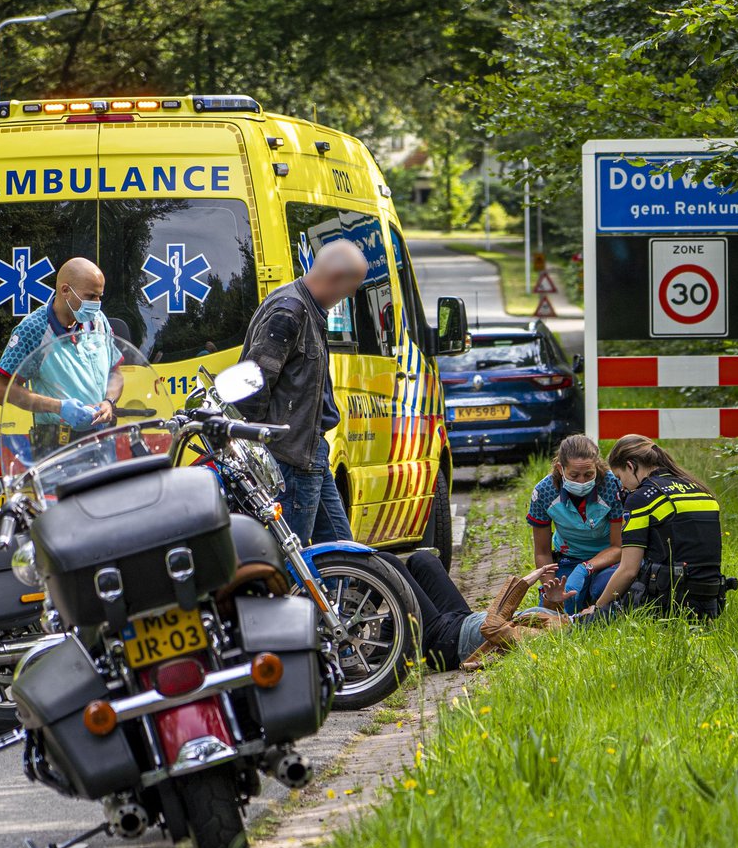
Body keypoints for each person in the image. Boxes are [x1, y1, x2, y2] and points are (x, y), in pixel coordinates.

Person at [238, 239, 368, 545]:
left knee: (342, 549)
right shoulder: (290, 312)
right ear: (335, 278)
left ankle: (340, 580)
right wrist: (258, 452)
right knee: (292, 555)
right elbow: (253, 386)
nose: (348, 297)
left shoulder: (304, 306)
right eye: (349, 290)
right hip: (290, 459)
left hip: (308, 454)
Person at [583, 434, 734, 619]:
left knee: (593, 600)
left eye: (619, 478)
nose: (622, 487)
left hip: (666, 605)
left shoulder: (641, 497)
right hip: (710, 605)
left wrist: (597, 608)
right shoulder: (700, 490)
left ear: (630, 466)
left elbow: (628, 570)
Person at [0, 257, 122, 458]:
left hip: (103, 442)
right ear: (65, 290)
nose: (97, 304)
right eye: (90, 296)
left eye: (99, 296)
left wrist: (108, 402)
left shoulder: (98, 321)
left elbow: (116, 373)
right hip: (57, 446)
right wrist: (59, 408)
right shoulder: (34, 329)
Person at [377, 553, 561, 671]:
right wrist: (551, 602)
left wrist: (523, 584)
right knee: (423, 560)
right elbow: (532, 621)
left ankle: (362, 637)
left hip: (447, 644)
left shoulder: (559, 632)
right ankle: (382, 645)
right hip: (464, 620)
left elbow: (493, 628)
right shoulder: (564, 622)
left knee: (388, 564)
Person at [527, 435, 626, 615]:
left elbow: (618, 547)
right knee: (554, 609)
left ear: (596, 466)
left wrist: (584, 568)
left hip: (608, 559)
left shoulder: (612, 486)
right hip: (569, 557)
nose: (582, 481)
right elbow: (542, 552)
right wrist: (551, 589)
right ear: (560, 468)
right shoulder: (544, 492)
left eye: (588, 474)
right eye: (574, 475)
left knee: (602, 592)